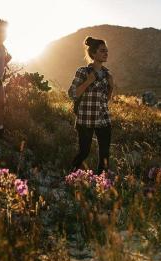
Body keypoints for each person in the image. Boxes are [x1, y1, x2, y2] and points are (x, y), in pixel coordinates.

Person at [68, 36, 114, 175]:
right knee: (84, 151)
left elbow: (105, 100)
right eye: (102, 51)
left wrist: (111, 87)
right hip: (85, 119)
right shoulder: (83, 71)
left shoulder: (107, 74)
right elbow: (72, 94)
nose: (106, 53)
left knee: (105, 153)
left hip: (103, 118)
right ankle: (71, 175)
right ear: (93, 54)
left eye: (106, 51)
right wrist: (88, 81)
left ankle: (102, 182)